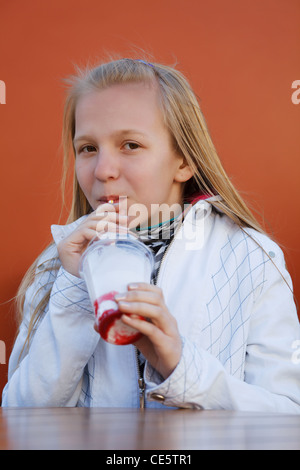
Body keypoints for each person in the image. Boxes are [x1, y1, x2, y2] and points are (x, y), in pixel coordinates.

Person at [2, 58, 300, 411]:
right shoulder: (59, 264)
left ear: (184, 161)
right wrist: (73, 292)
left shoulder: (251, 257)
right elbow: (19, 418)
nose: (102, 170)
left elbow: (288, 415)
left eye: (130, 145)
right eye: (88, 148)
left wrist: (181, 367)